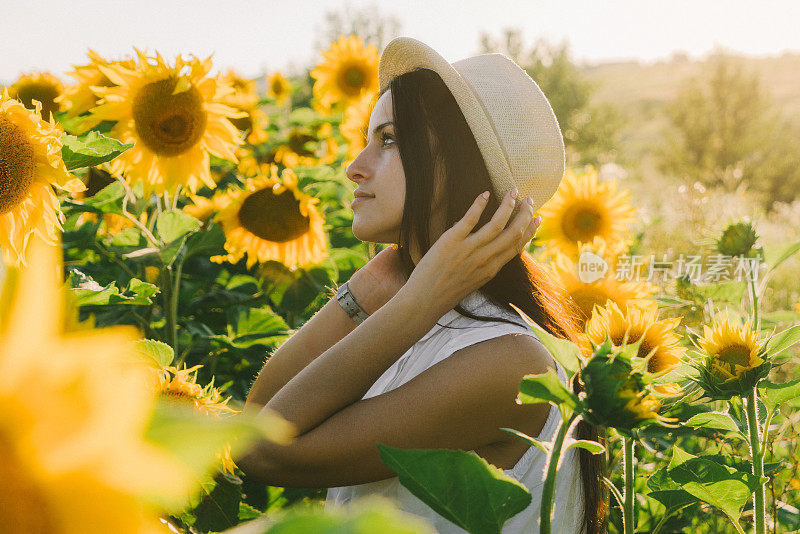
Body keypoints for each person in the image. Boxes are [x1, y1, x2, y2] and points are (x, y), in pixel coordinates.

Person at [239, 37, 607, 533]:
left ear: (456, 164)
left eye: (389, 140)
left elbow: (263, 451)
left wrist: (419, 297)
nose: (355, 166)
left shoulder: (512, 361)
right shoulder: (438, 317)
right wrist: (373, 286)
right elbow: (257, 414)